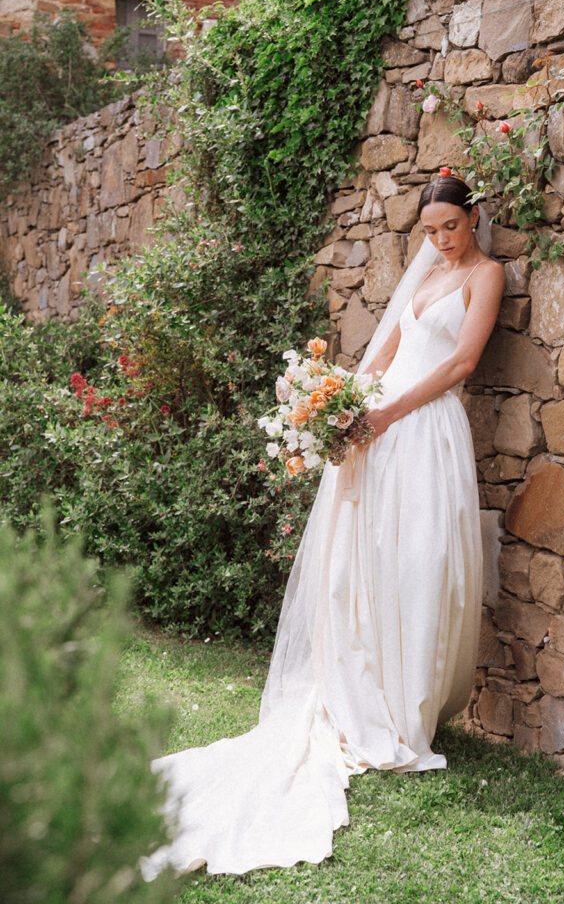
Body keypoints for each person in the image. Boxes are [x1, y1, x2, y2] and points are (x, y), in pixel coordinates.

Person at [140, 173, 505, 880]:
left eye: (449, 227)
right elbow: (388, 356)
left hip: (425, 431)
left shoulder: (484, 275)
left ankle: (407, 712)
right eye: (429, 231)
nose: (438, 240)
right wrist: (341, 408)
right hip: (380, 428)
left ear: (474, 216)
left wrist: (387, 414)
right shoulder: (424, 274)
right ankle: (363, 693)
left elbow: (460, 362)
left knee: (420, 559)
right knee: (364, 563)